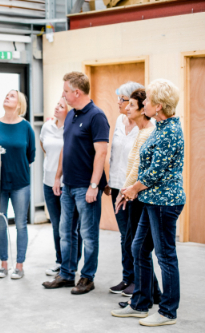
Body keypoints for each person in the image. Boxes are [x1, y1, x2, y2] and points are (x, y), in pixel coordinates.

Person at [111, 79, 185, 327]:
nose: (145, 105)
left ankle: (167, 312)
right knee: (139, 249)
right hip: (151, 200)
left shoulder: (171, 131)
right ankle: (140, 304)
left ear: (160, 106)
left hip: (165, 203)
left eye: (149, 101)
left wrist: (132, 189)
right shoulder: (161, 128)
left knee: (165, 256)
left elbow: (154, 172)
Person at [42, 71, 110, 295]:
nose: (63, 95)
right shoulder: (71, 115)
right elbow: (65, 148)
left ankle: (87, 277)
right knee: (66, 232)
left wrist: (93, 186)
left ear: (77, 92)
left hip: (85, 187)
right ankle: (67, 273)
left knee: (88, 234)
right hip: (68, 185)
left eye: (65, 91)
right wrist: (58, 176)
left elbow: (101, 153)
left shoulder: (96, 116)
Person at [115, 88, 161, 307]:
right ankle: (154, 293)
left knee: (138, 248)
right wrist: (124, 191)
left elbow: (137, 171)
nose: (127, 107)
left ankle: (144, 295)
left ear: (144, 109)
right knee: (137, 248)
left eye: (132, 105)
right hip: (133, 194)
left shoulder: (148, 132)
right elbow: (133, 167)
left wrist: (125, 192)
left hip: (139, 197)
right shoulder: (142, 132)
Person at [0, 90, 36, 280]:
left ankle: (19, 266)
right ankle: (3, 264)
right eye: (6, 95)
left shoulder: (26, 127)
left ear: (19, 104)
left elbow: (30, 155)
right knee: (1, 223)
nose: (7, 97)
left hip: (21, 183)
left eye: (12, 96)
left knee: (21, 225)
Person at [105, 82, 142, 296]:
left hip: (132, 190)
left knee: (133, 236)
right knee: (124, 235)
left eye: (122, 99)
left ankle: (138, 280)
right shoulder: (119, 120)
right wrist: (110, 181)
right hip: (117, 186)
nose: (119, 103)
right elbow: (114, 154)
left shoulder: (145, 126)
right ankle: (127, 277)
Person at [40, 97, 82, 277]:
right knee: (56, 225)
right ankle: (60, 261)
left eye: (61, 106)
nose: (57, 107)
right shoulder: (47, 127)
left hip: (67, 184)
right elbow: (45, 148)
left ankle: (71, 263)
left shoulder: (72, 128)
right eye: (56, 104)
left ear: (69, 110)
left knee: (70, 227)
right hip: (48, 182)